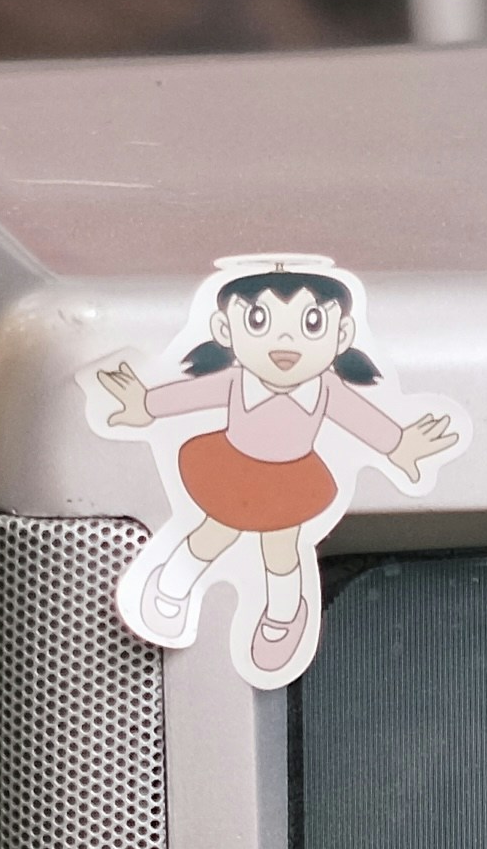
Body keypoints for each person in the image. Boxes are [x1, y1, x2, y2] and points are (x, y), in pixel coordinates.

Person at [89, 257, 463, 684]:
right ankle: (171, 588)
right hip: (231, 469)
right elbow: (186, 397)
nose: (285, 338)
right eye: (259, 318)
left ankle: (282, 617)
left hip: (290, 481)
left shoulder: (327, 390)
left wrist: (400, 445)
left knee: (281, 549)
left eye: (311, 323)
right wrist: (144, 404)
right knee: (213, 532)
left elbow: (364, 420)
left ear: (341, 334)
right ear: (225, 329)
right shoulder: (233, 382)